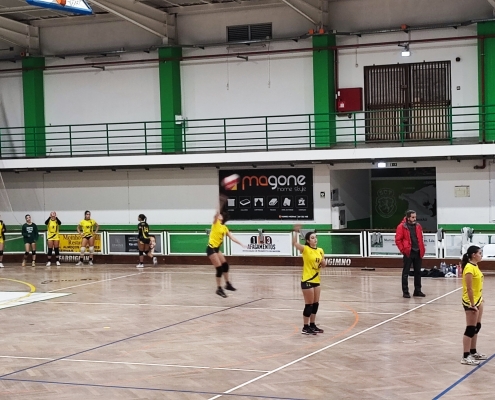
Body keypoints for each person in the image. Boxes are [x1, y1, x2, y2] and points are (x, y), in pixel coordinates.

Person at [207, 195, 245, 298]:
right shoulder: (215, 224)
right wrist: (220, 202)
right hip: (211, 249)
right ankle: (219, 289)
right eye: (219, 215)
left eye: (221, 215)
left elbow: (232, 237)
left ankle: (227, 284)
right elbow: (216, 213)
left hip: (217, 249)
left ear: (222, 218)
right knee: (219, 269)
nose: (219, 216)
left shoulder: (224, 228)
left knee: (225, 266)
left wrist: (241, 244)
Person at [292, 225, 326, 335]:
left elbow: (323, 264)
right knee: (309, 305)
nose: (315, 239)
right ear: (308, 240)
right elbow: (294, 243)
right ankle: (305, 327)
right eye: (312, 238)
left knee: (315, 304)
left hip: (316, 280)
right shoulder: (305, 249)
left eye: (315, 237)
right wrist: (295, 232)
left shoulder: (320, 250)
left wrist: (324, 263)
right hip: (307, 280)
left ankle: (312, 325)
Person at [460, 245, 487, 365]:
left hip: (478, 300)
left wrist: (481, 299)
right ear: (473, 255)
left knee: (477, 326)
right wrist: (472, 304)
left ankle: (473, 351)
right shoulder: (469, 268)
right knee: (470, 328)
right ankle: (465, 356)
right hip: (470, 302)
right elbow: (469, 288)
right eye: (480, 253)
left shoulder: (475, 266)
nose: (481, 255)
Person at [395, 209, 426, 298]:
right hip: (408, 252)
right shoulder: (401, 227)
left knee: (418, 272)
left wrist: (422, 249)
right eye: (413, 217)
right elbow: (398, 240)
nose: (414, 219)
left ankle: (417, 290)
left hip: (418, 252)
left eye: (415, 217)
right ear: (408, 218)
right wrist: (403, 250)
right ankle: (405, 291)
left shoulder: (418, 226)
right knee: (406, 273)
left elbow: (421, 238)